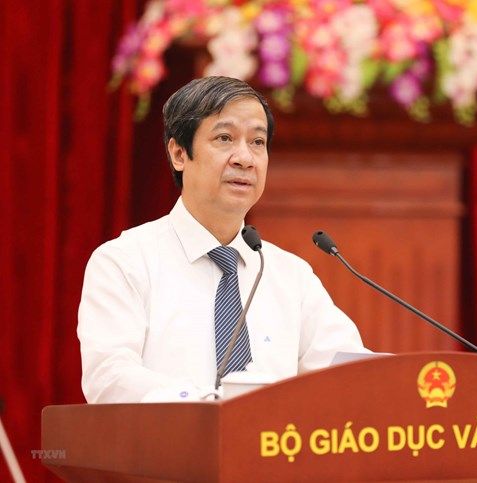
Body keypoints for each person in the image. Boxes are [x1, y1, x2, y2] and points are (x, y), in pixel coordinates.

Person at [77, 76, 368, 403]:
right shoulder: (125, 262)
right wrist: (206, 407)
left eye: (257, 142)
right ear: (179, 153)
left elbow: (350, 374)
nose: (245, 158)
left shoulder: (291, 275)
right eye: (225, 138)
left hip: (272, 437)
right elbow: (109, 377)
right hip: (175, 436)